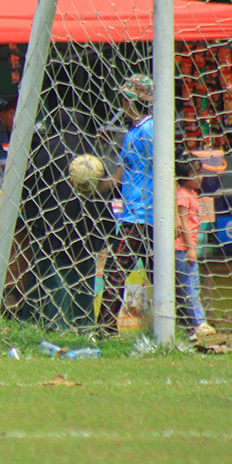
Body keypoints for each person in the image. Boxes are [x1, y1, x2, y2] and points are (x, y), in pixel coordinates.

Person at [20, 106, 115, 331]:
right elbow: (104, 190)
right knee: (83, 277)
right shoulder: (91, 150)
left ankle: (54, 325)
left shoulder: (45, 149)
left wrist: (31, 222)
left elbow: (29, 189)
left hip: (52, 226)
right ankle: (83, 324)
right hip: (85, 228)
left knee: (52, 276)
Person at [97, 74, 155, 338]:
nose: (120, 102)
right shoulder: (132, 132)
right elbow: (120, 176)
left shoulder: (151, 130)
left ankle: (103, 329)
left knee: (117, 272)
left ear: (131, 99)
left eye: (123, 97)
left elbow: (166, 170)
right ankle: (106, 329)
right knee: (115, 273)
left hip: (148, 217)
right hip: (133, 215)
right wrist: (92, 185)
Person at [175, 154, 216, 341]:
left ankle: (191, 327)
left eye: (200, 173)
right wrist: (191, 248)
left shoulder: (192, 194)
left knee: (191, 287)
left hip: (188, 248)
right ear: (185, 176)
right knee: (189, 287)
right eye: (195, 173)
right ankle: (199, 323)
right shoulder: (182, 195)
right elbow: (183, 223)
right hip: (182, 249)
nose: (200, 177)